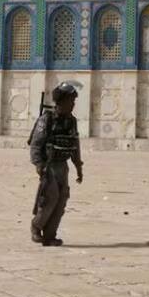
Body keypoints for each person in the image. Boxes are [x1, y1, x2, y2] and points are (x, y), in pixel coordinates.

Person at [29, 82, 83, 246]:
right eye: (71, 101)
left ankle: (50, 235)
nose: (73, 105)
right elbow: (36, 144)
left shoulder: (71, 121)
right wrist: (39, 165)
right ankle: (36, 227)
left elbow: (75, 145)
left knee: (61, 201)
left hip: (62, 166)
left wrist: (78, 167)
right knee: (49, 198)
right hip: (49, 166)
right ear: (62, 101)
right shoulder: (47, 119)